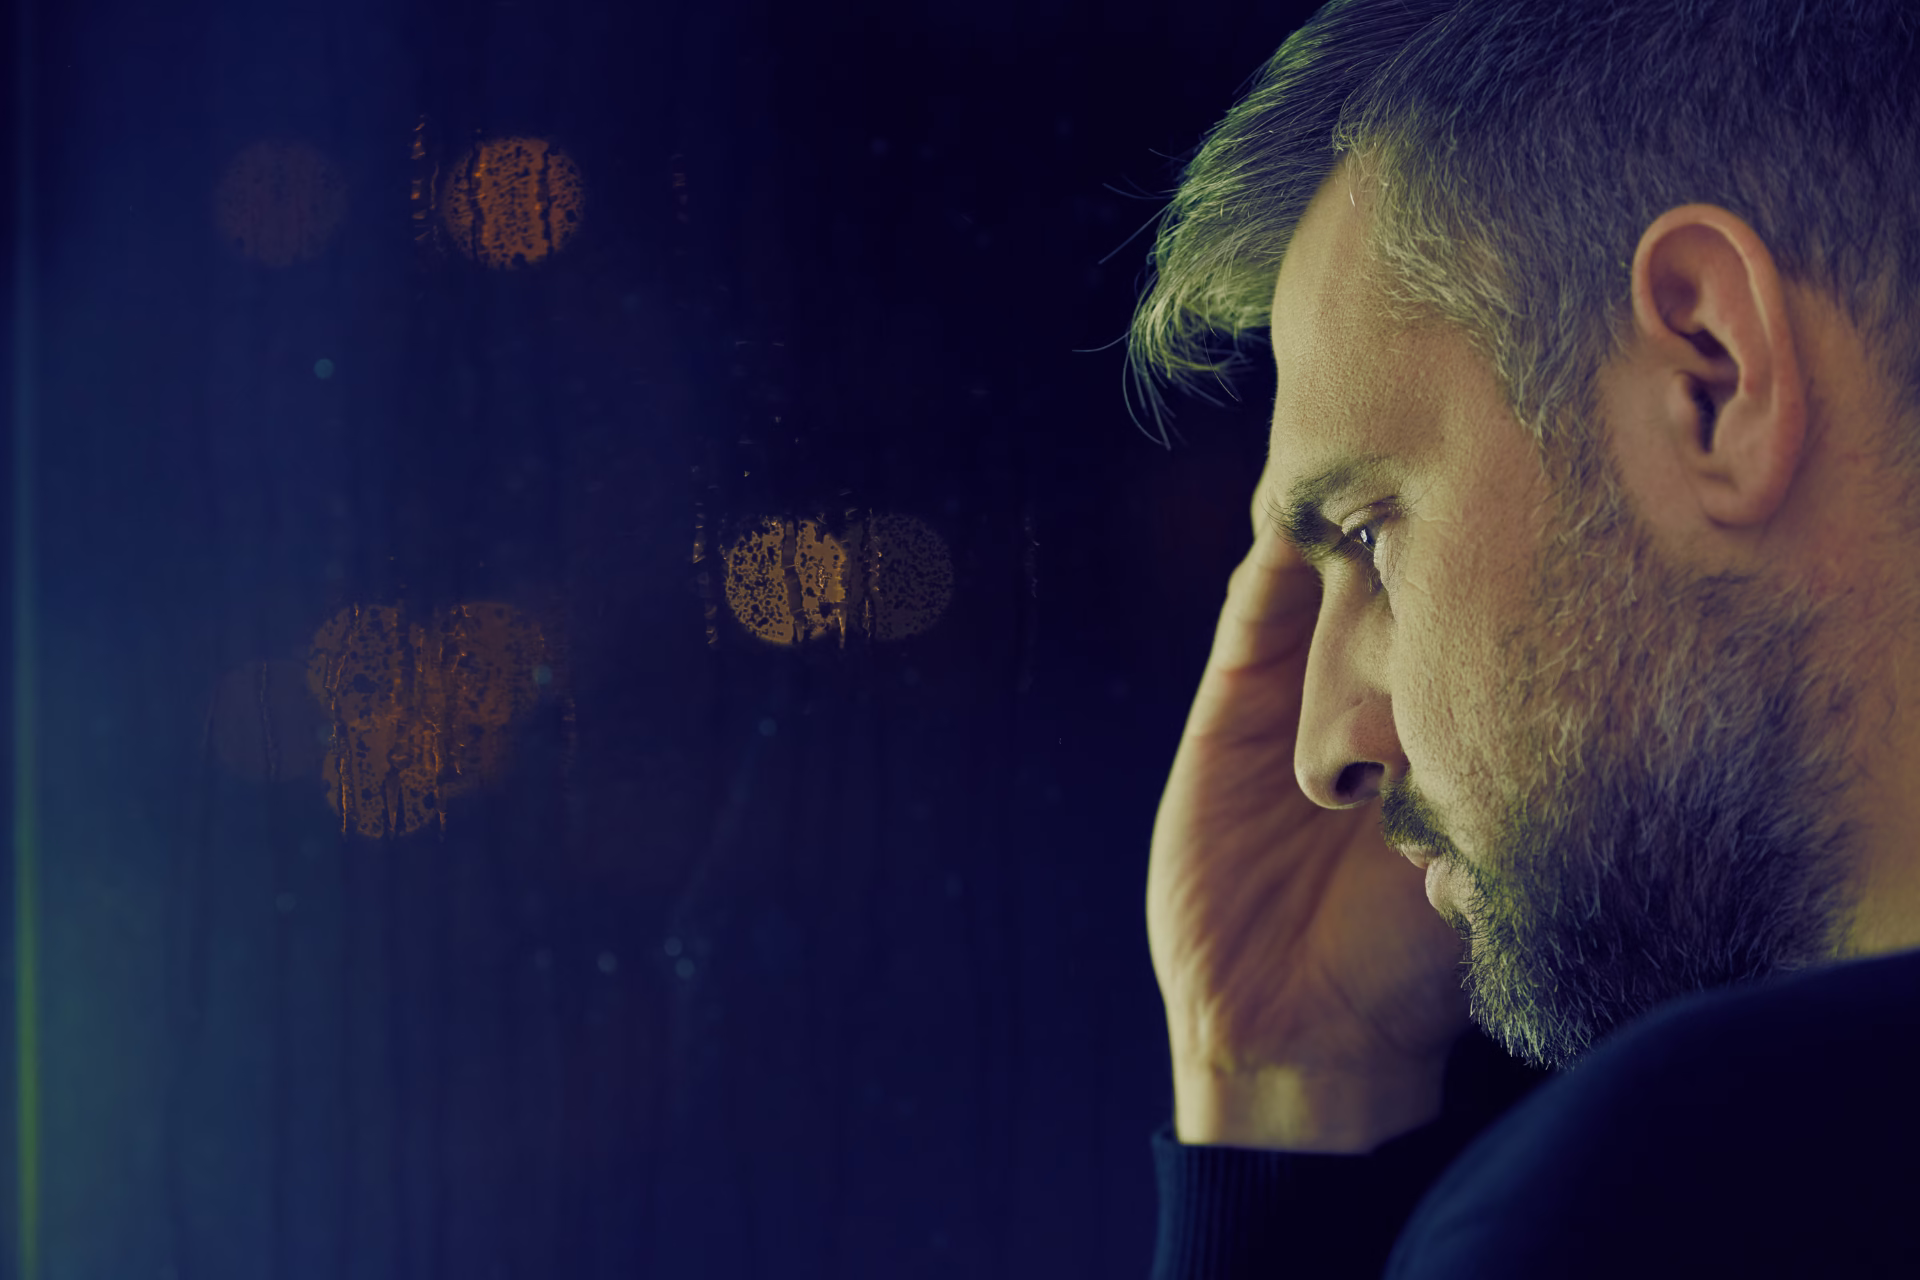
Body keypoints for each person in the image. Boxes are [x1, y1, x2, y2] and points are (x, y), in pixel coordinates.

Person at [1131, 1, 1920, 1275]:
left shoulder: (1649, 1199)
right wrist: (1296, 1056)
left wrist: (1271, 1137)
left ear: (1709, 381)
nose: (1323, 750)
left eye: (1368, 535)